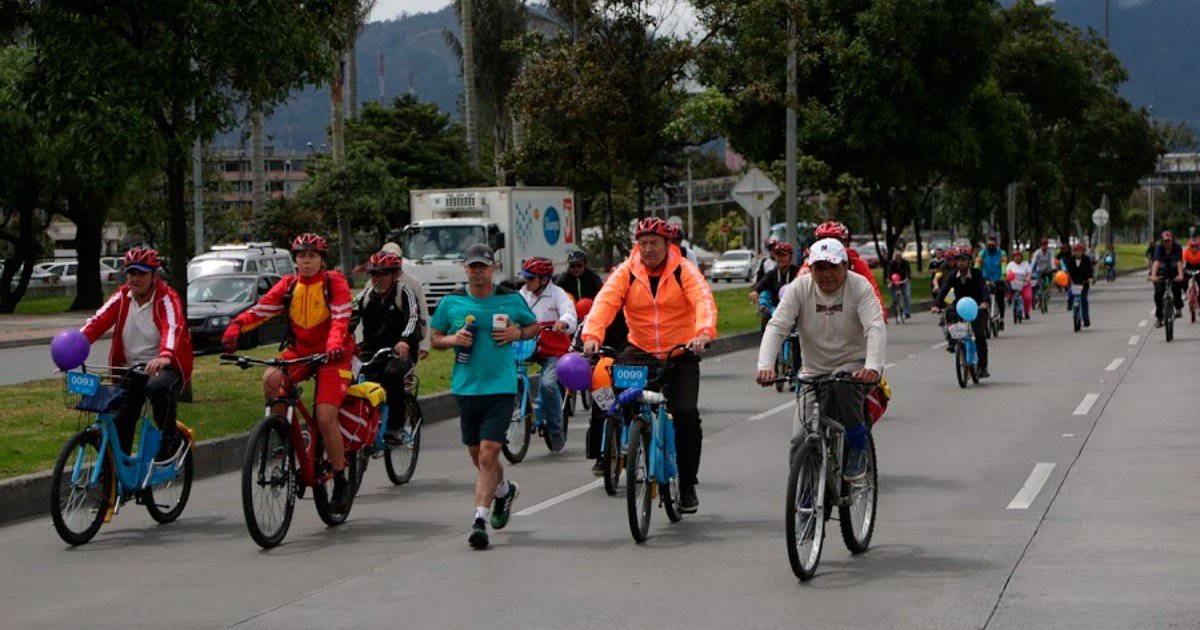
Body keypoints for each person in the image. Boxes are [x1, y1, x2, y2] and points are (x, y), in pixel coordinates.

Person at [582, 217, 717, 513]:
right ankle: (632, 436)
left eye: (654, 243)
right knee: (619, 393)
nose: (648, 249)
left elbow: (703, 302)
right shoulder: (626, 272)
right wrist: (592, 336)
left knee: (685, 414)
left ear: (668, 245)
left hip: (680, 351)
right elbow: (604, 304)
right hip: (640, 349)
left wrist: (703, 333)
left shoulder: (685, 271)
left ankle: (687, 484)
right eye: (643, 244)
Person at [223, 233, 356, 513]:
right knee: (271, 378)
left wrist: (333, 345)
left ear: (322, 259)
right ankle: (283, 437)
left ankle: (341, 479)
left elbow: (342, 317)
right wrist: (236, 325)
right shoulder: (289, 285)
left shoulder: (334, 283)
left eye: (312, 256)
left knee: (324, 415)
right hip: (300, 353)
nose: (306, 262)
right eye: (301, 256)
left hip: (334, 356)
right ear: (295, 260)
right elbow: (261, 310)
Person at [429, 243, 538, 549]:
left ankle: (479, 521)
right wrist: (453, 338)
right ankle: (503, 491)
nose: (477, 271)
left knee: (489, 452)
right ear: (465, 269)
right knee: (479, 457)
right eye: (472, 266)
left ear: (493, 267)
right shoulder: (451, 303)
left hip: (501, 387)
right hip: (466, 388)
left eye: (482, 266)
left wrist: (516, 334)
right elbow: (435, 338)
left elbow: (533, 326)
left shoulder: (509, 298)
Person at [754, 238, 885, 480]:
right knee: (799, 439)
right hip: (813, 371)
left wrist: (873, 367)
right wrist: (765, 366)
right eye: (819, 268)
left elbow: (875, 328)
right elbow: (777, 326)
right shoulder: (799, 288)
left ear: (845, 266)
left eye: (832, 267)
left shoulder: (860, 287)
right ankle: (805, 498)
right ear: (810, 268)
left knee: (841, 384)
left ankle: (857, 447)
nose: (826, 275)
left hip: (854, 367)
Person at [81, 246, 193, 463]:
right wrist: (76, 344)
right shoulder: (122, 297)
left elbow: (173, 327)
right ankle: (117, 477)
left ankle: (169, 439)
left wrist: (165, 355)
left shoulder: (166, 298)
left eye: (141, 273)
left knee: (157, 388)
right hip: (130, 368)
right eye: (131, 272)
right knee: (122, 419)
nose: (134, 278)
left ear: (154, 275)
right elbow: (97, 322)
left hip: (165, 366)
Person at [350, 251, 422, 443]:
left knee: (392, 375)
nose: (377, 279)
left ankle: (395, 427)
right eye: (374, 274)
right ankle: (357, 424)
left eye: (383, 274)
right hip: (371, 351)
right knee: (350, 377)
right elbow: (348, 320)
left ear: (395, 275)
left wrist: (405, 340)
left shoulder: (404, 292)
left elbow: (413, 317)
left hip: (400, 352)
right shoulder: (363, 296)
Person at [517, 256, 577, 452]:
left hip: (553, 349)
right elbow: (512, 313)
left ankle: (555, 429)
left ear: (544, 279)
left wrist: (563, 323)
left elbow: (569, 313)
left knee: (548, 384)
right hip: (527, 347)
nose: (527, 283)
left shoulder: (558, 294)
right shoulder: (523, 294)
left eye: (531, 278)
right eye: (525, 278)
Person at [804, 221, 887, 319]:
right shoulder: (810, 262)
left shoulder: (856, 263)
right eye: (823, 241)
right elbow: (797, 288)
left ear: (845, 244)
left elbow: (872, 290)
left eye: (834, 242)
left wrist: (880, 314)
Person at [933, 247, 990, 378]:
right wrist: (936, 305)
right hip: (960, 306)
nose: (961, 263)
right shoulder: (952, 275)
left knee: (979, 335)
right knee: (948, 313)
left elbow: (983, 288)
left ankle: (982, 366)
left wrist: (984, 302)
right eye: (958, 260)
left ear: (969, 261)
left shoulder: (976, 274)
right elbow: (944, 290)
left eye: (963, 260)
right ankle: (953, 342)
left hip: (977, 307)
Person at [380, 242, 430, 360]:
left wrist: (424, 344)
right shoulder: (372, 284)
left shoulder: (413, 283)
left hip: (407, 339)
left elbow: (423, 313)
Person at [750, 242, 800, 329]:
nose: (781, 258)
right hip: (776, 309)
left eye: (784, 255)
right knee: (765, 316)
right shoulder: (772, 274)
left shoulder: (797, 272)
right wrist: (755, 292)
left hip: (794, 309)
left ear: (790, 257)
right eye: (778, 255)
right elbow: (761, 284)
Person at [1150, 231, 1184, 327]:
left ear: (1172, 240)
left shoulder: (1177, 247)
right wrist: (1153, 276)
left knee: (1177, 286)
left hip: (1174, 270)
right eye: (1165, 241)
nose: (1167, 243)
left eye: (1169, 241)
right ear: (1162, 241)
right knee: (1158, 294)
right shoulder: (1159, 248)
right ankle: (1159, 317)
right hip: (1162, 270)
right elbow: (1156, 262)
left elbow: (1179, 262)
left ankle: (1178, 308)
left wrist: (1180, 275)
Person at [975, 235, 1007, 320]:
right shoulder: (982, 253)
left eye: (993, 245)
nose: (991, 247)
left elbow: (1004, 265)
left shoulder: (1002, 253)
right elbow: (977, 266)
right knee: (983, 297)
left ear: (996, 245)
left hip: (998, 279)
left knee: (1000, 299)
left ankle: (1001, 318)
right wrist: (975, 274)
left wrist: (1003, 275)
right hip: (986, 278)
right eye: (989, 246)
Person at [1062, 242, 1094, 327]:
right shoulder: (1070, 260)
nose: (1078, 253)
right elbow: (1067, 272)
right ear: (1074, 252)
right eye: (1076, 251)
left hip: (1084, 283)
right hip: (1073, 282)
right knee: (1072, 296)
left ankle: (1086, 319)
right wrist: (1067, 279)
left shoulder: (1086, 259)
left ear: (1083, 251)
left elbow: (1089, 271)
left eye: (1080, 251)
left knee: (1084, 300)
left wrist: (1090, 278)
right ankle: (1072, 308)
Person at [1005, 250, 1033, 320]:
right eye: (1015, 257)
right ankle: (1011, 301)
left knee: (1027, 298)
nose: (1017, 258)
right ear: (1013, 257)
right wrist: (1008, 277)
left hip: (1024, 283)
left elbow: (1029, 273)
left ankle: (1026, 312)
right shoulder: (1010, 264)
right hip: (1014, 284)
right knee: (1010, 293)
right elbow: (1008, 272)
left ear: (1021, 257)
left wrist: (1028, 278)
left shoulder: (1025, 264)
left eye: (1019, 256)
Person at [885, 250, 912, 319]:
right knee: (890, 288)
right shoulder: (891, 263)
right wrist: (888, 279)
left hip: (903, 281)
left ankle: (907, 312)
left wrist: (906, 278)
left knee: (906, 295)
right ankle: (894, 301)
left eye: (899, 258)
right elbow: (889, 272)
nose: (898, 259)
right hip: (894, 280)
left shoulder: (905, 263)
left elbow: (907, 271)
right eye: (896, 258)